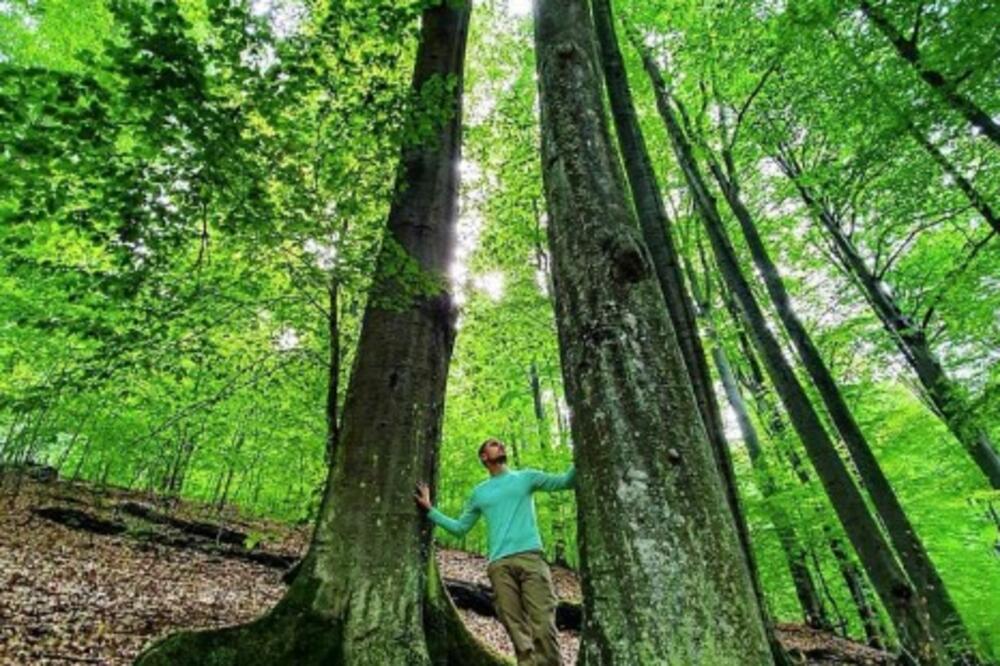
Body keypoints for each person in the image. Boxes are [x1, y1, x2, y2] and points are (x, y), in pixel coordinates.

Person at [414, 438, 576, 666]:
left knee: (543, 622)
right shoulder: (479, 493)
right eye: (493, 444)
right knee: (515, 626)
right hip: (499, 566)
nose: (500, 445)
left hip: (531, 559)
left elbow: (565, 482)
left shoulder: (526, 478)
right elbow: (460, 529)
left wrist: (581, 450)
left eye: (500, 444)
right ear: (484, 457)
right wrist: (430, 510)